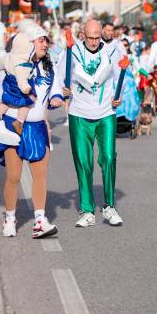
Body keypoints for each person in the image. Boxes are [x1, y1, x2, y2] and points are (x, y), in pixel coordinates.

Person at [0, 27, 62, 238]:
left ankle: (40, 220)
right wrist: (15, 91)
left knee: (40, 175)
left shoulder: (50, 67)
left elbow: (55, 90)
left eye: (46, 41)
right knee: (13, 176)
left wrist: (57, 99)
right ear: (28, 43)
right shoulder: (11, 63)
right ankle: (10, 218)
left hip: (38, 127)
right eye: (40, 41)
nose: (44, 44)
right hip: (14, 124)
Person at [58, 19, 124, 228]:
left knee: (108, 158)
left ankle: (109, 206)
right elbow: (60, 79)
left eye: (97, 37)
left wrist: (118, 96)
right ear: (83, 35)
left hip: (105, 112)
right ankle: (87, 210)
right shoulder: (71, 52)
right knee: (83, 162)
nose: (94, 42)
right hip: (79, 113)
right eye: (91, 37)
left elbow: (120, 77)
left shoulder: (112, 53)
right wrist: (63, 90)